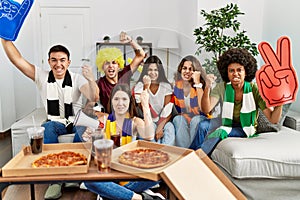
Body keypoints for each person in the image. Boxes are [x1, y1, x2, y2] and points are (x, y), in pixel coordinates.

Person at [1, 39, 99, 199]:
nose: (58, 64)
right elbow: (17, 60)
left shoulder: (77, 78)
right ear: (49, 61)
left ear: (68, 62)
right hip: (55, 123)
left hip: (75, 121)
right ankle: (56, 181)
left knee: (84, 126)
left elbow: (94, 96)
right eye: (54, 60)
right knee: (47, 127)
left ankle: (75, 175)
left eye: (62, 60)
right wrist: (4, 37)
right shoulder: (42, 76)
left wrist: (90, 79)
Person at [190, 48, 283, 156]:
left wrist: (280, 102)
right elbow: (206, 109)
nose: (235, 74)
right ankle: (190, 153)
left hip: (244, 127)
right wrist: (207, 88)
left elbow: (273, 119)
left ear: (246, 71)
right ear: (227, 72)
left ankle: (198, 157)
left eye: (239, 70)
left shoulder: (254, 90)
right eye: (231, 71)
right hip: (225, 121)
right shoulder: (222, 87)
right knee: (202, 125)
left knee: (221, 132)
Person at [83, 84, 162, 200]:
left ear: (130, 101)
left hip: (131, 178)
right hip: (109, 176)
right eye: (116, 99)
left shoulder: (135, 122)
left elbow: (149, 135)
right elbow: (93, 152)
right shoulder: (103, 120)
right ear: (112, 102)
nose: (120, 103)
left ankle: (117, 194)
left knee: (160, 174)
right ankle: (137, 198)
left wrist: (145, 106)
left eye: (124, 99)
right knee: (89, 182)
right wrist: (88, 139)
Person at [96, 31, 145, 112]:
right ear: (102, 67)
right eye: (107, 63)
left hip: (129, 115)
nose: (111, 66)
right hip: (111, 119)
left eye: (114, 63)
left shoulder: (124, 74)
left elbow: (141, 55)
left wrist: (131, 41)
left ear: (118, 66)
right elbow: (92, 103)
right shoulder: (99, 83)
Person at [133, 55, 175, 146]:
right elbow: (143, 108)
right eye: (150, 70)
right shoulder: (140, 86)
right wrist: (145, 87)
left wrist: (160, 127)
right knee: (151, 134)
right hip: (148, 120)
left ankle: (167, 153)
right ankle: (154, 153)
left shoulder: (166, 86)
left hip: (164, 120)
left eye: (156, 70)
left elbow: (168, 111)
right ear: (145, 71)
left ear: (160, 71)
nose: (153, 73)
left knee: (170, 128)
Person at [172, 55, 208, 148]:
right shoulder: (176, 86)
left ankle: (193, 151)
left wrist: (197, 83)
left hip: (200, 117)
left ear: (195, 71)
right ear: (181, 69)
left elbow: (202, 109)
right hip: (184, 117)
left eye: (190, 69)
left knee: (196, 120)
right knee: (177, 119)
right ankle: (185, 152)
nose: (187, 71)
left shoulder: (202, 86)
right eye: (184, 68)